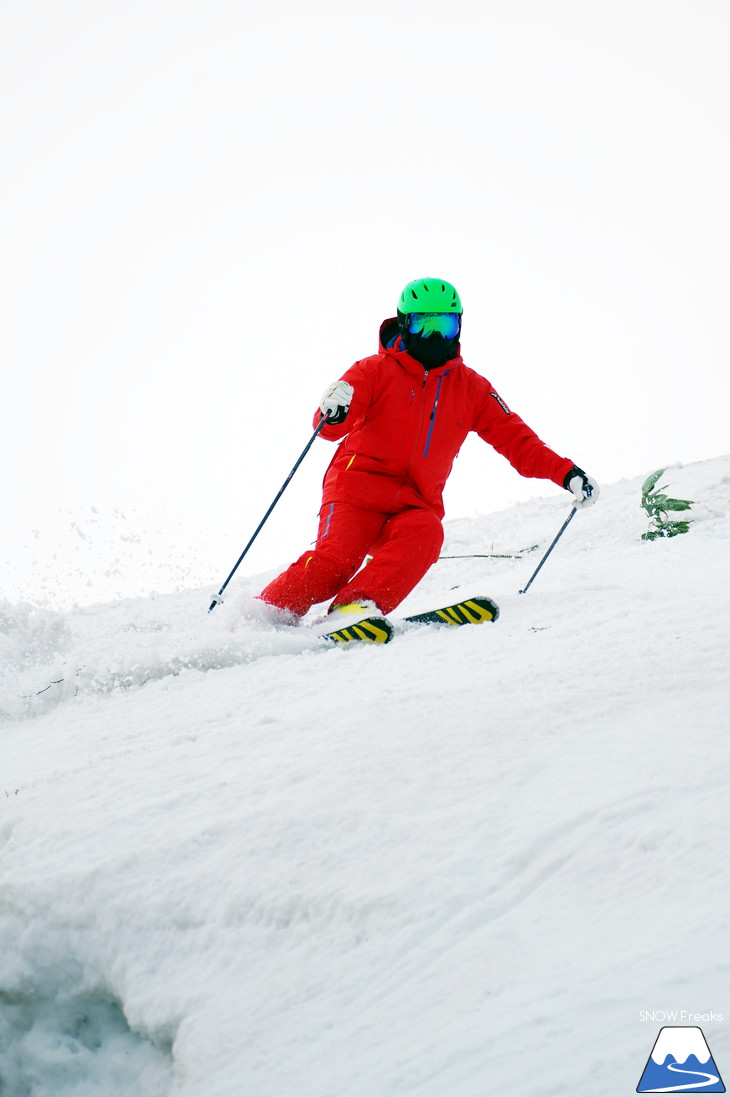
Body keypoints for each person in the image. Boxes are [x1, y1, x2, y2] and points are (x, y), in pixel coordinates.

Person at [258, 277, 598, 628]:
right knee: (334, 565)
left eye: (444, 325)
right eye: (424, 324)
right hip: (355, 493)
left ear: (459, 326)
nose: (435, 337)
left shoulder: (472, 389)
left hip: (413, 503)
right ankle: (260, 615)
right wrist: (334, 410)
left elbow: (518, 441)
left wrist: (567, 473)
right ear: (405, 324)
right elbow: (329, 428)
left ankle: (354, 607)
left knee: (426, 533)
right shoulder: (373, 371)